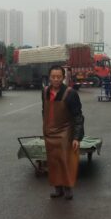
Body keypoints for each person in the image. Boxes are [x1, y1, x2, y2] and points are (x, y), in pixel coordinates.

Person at [42, 65, 84, 200]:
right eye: (53, 77)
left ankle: (68, 188)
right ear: (49, 77)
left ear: (63, 77)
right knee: (53, 161)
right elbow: (44, 111)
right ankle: (57, 188)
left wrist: (76, 137)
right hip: (50, 131)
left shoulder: (70, 93)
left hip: (65, 131)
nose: (56, 79)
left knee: (65, 160)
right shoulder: (45, 92)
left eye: (59, 77)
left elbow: (78, 116)